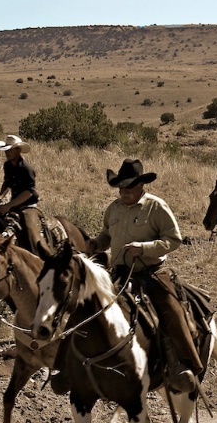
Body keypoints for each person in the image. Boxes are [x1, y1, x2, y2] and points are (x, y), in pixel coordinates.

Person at [85, 158, 203, 393]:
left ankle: (184, 363)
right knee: (88, 303)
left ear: (140, 186)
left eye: (127, 186)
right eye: (120, 187)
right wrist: (95, 244)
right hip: (119, 273)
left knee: (170, 308)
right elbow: (107, 236)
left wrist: (145, 248)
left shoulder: (156, 207)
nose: (122, 191)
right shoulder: (114, 208)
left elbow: (174, 239)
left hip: (151, 273)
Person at [0, 135, 45, 254]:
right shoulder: (7, 166)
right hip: (14, 204)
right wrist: (0, 198)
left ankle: (37, 255)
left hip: (29, 205)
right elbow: (7, 183)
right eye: (6, 150)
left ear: (18, 150)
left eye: (10, 149)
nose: (7, 153)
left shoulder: (26, 169)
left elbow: (29, 192)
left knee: (30, 230)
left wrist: (8, 206)